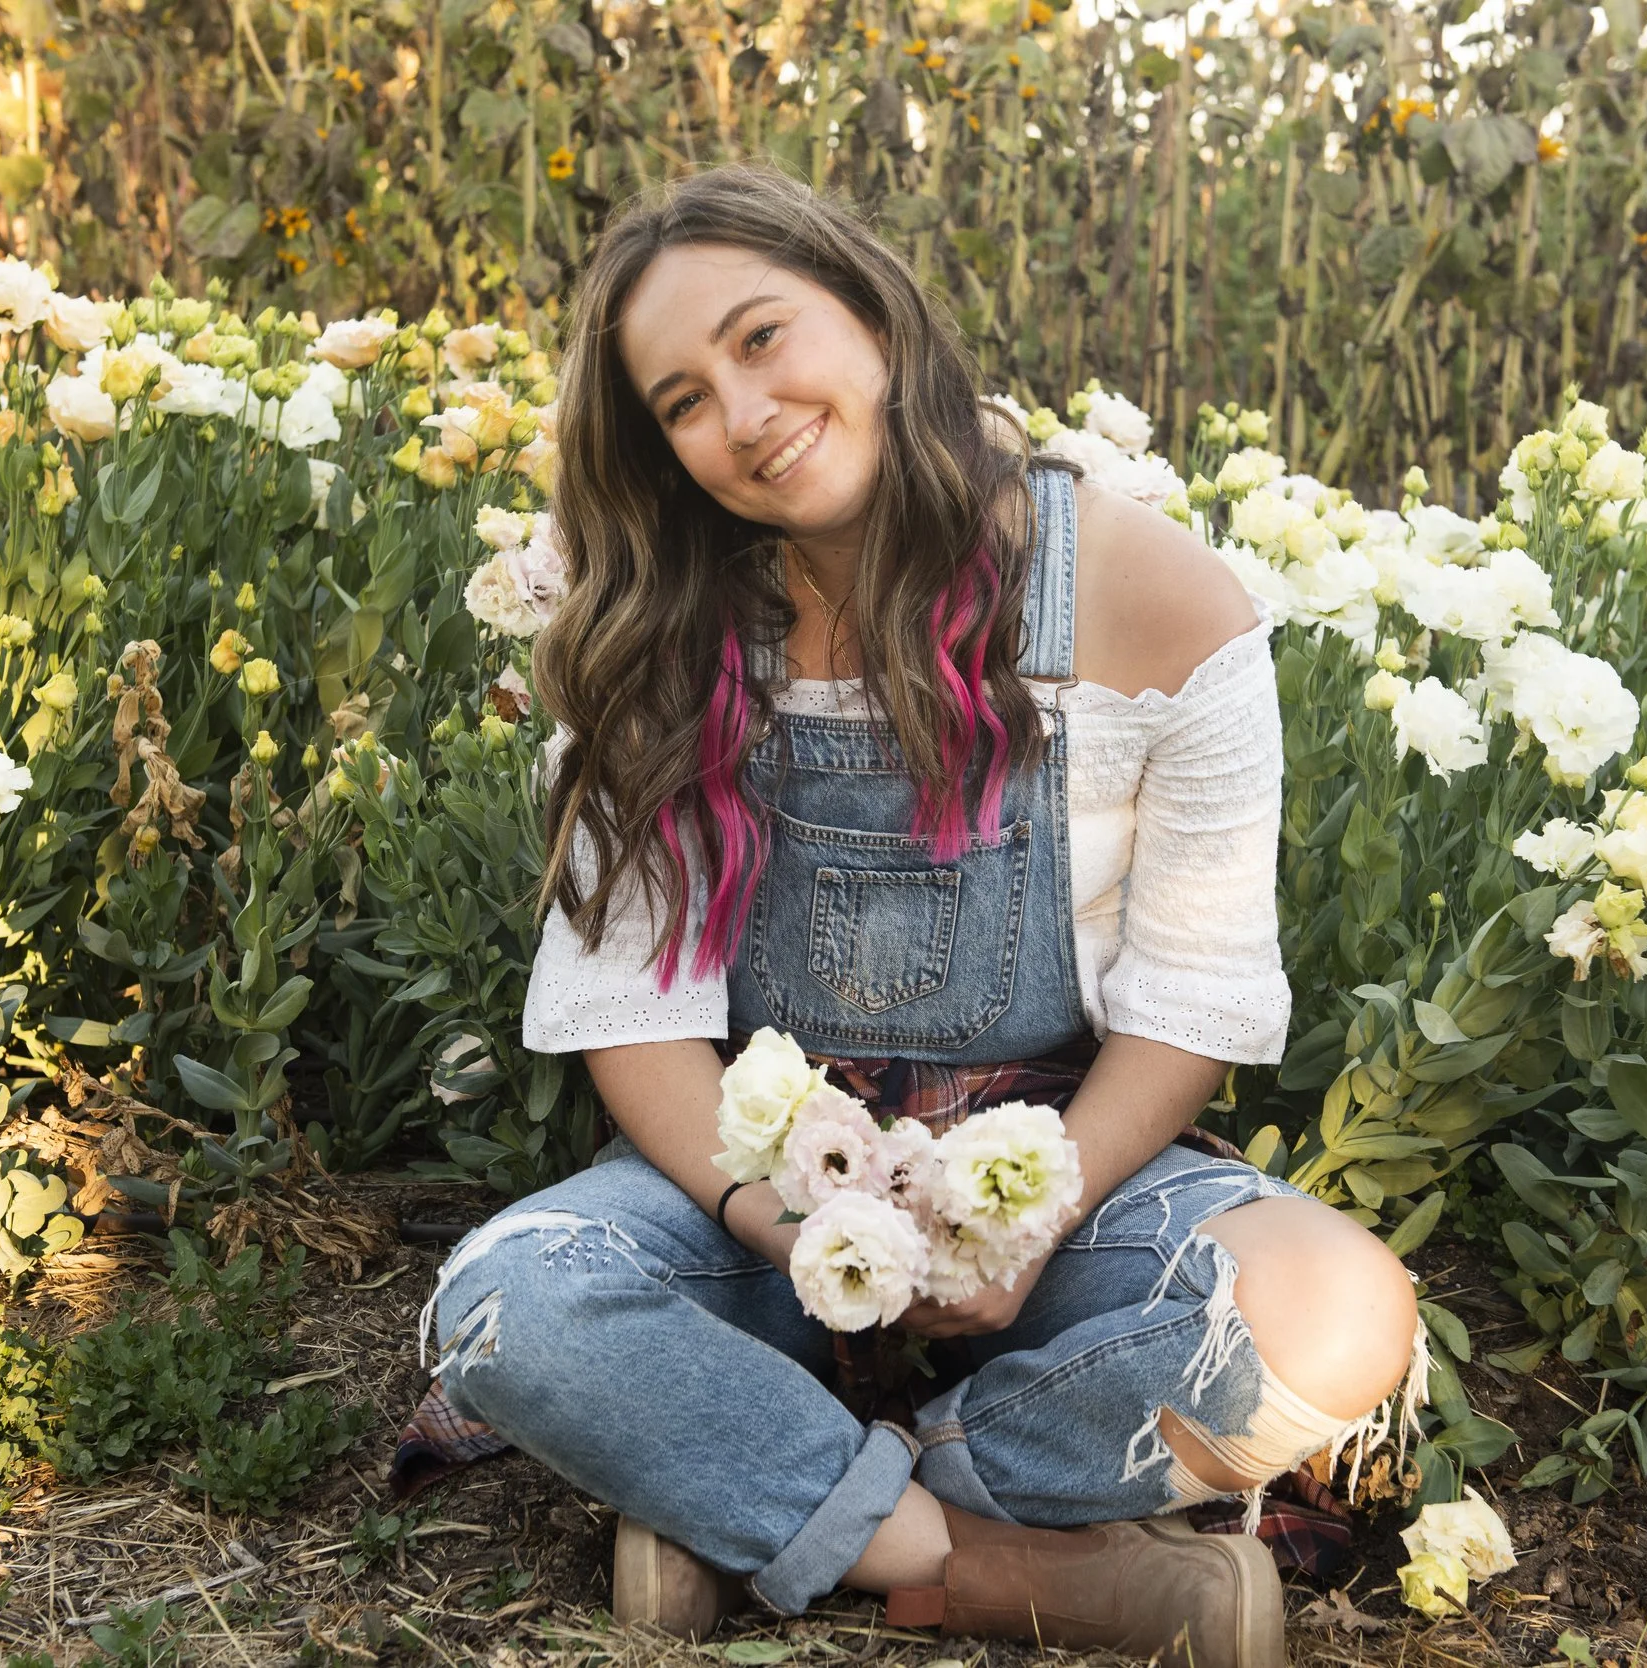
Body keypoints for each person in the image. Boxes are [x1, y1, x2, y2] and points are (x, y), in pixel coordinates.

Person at [404, 160, 1418, 1668]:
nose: (744, 414)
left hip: (1054, 1200)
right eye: (683, 401)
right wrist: (785, 1224)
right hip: (762, 1207)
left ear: (871, 313)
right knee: (504, 1306)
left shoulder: (1154, 600)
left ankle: (745, 1493)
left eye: (762, 338)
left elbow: (1189, 1003)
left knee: (1341, 1309)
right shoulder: (663, 624)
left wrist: (1034, 1215)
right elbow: (635, 1015)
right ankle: (982, 1563)